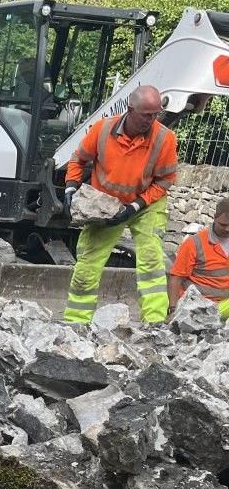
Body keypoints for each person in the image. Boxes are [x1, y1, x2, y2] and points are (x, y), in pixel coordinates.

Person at [62, 85, 178, 324]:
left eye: (156, 114)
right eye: (147, 114)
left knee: (151, 259)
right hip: (107, 204)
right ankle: (75, 322)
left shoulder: (164, 138)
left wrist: (135, 206)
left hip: (146, 203)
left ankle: (154, 323)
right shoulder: (102, 130)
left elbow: (165, 180)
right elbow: (78, 159)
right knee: (88, 262)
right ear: (130, 109)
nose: (152, 119)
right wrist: (71, 187)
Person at [168, 197, 229, 318]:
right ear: (215, 217)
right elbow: (176, 278)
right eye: (223, 224)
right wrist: (173, 310)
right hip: (197, 308)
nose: (228, 229)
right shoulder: (194, 243)